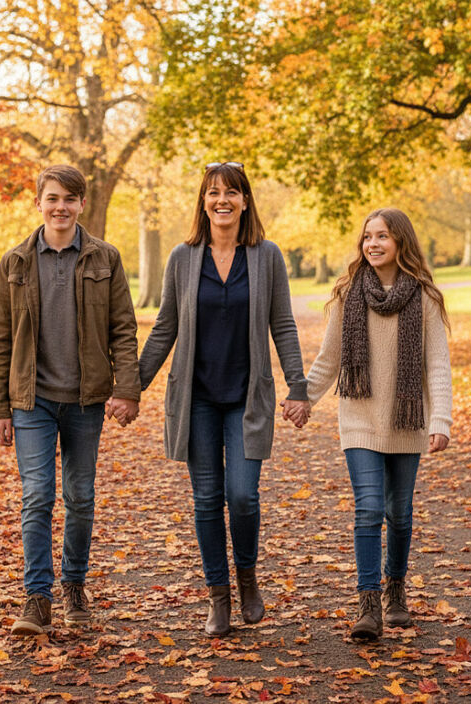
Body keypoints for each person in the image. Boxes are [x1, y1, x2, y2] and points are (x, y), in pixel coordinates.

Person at [139, 161, 311, 636]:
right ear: (203, 201)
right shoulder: (183, 257)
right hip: (196, 398)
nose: (222, 200)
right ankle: (218, 596)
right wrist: (131, 386)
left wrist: (298, 385)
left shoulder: (266, 255)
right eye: (214, 192)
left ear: (245, 201)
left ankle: (248, 578)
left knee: (243, 495)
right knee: (206, 499)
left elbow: (283, 325)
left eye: (231, 192)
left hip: (245, 396)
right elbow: (166, 328)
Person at [0, 164, 141, 635]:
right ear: (39, 202)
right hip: (30, 401)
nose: (60, 207)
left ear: (81, 205)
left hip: (85, 400)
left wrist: (127, 389)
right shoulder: (15, 261)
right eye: (52, 198)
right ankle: (38, 597)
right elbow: (0, 339)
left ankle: (74, 585)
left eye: (69, 199)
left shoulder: (104, 258)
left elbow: (123, 329)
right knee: (36, 497)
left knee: (80, 497)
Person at [304, 207, 452, 640]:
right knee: (369, 510)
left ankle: (396, 591)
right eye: (367, 236)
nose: (373, 244)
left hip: (406, 421)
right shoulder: (348, 293)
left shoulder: (425, 298)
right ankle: (367, 605)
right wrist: (303, 400)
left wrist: (439, 418)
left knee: (399, 514)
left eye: (382, 236)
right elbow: (329, 360)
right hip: (361, 418)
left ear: (401, 242)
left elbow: (437, 364)